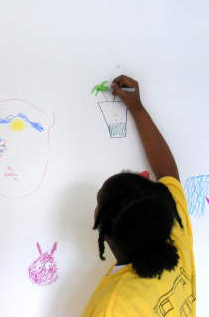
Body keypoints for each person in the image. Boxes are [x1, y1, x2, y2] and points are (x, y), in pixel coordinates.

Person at [82, 75, 196, 317]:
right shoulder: (176, 234)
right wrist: (137, 108)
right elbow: (168, 173)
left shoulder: (113, 307)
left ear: (108, 236)